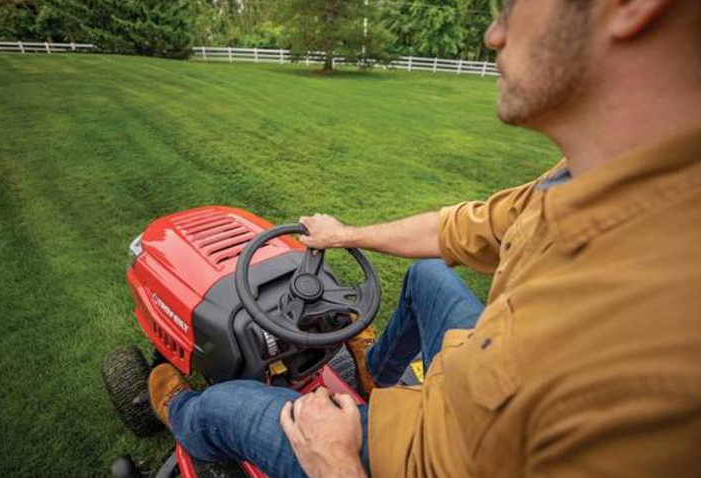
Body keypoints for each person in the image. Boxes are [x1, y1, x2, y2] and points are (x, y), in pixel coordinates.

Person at [148, 0, 701, 476]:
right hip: (475, 374)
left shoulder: (660, 354)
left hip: (418, 454)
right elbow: (456, 228)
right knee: (428, 273)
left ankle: (181, 412)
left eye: (511, 5)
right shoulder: (591, 177)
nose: (493, 34)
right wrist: (344, 234)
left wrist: (337, 459)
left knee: (223, 404)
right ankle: (374, 370)